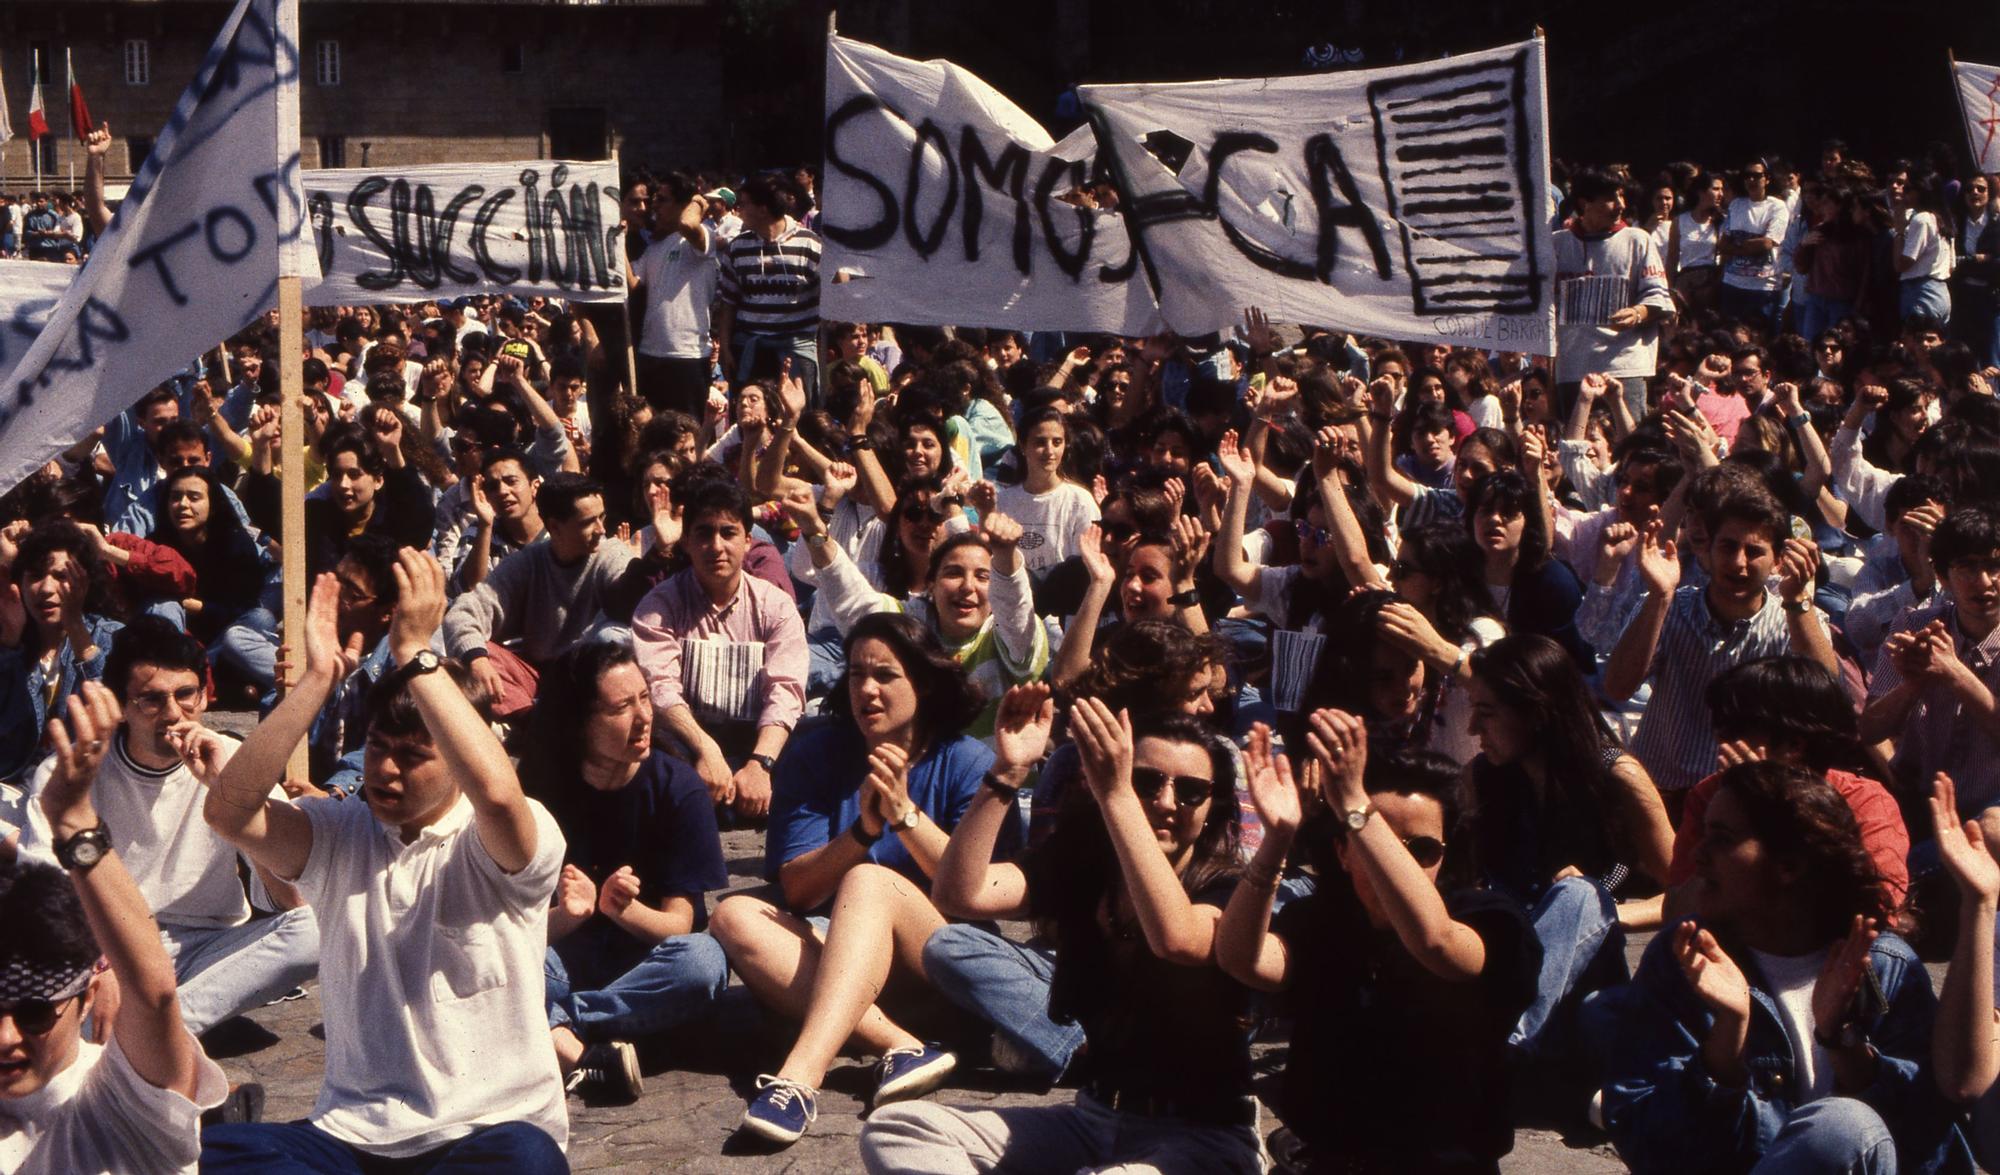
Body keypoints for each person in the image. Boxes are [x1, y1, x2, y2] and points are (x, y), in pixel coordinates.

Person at [199, 552, 570, 1172]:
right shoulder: (343, 832)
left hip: (482, 1134)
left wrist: (415, 654)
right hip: (353, 1137)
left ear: (457, 755)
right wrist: (316, 681)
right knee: (204, 1153)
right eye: (378, 747)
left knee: (527, 1160)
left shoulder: (508, 837)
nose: (386, 769)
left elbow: (501, 799)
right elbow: (230, 812)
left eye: (413, 754)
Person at [864, 700, 1260, 1174]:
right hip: (1094, 1120)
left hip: (1202, 1140)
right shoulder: (1084, 866)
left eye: (1191, 791)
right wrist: (1007, 771)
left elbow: (1176, 938)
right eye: (1147, 782)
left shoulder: (1230, 888)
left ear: (1212, 808)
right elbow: (959, 893)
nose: (1167, 803)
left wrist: (1118, 796)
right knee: (898, 1128)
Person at [1591, 761, 1971, 1174]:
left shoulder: (1884, 966)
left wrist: (1841, 1042)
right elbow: (1645, 1144)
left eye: (1723, 839)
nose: (1699, 854)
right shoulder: (1684, 957)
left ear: (1789, 866)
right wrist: (1727, 1041)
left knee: (1843, 1128)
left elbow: (1929, 1142)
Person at [708, 614, 1002, 1147]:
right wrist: (863, 832)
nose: (866, 688)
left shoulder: (968, 762)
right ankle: (901, 1046)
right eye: (855, 674)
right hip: (846, 969)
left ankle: (800, 1078)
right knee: (734, 914)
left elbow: (975, 894)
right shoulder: (818, 752)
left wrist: (904, 815)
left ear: (925, 682)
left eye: (885, 675)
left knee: (867, 882)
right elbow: (797, 890)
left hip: (939, 963)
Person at [1216, 714, 1542, 1175]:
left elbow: (1437, 944)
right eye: (1374, 843)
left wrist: (1354, 805)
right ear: (1344, 853)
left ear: (1446, 858)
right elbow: (1240, 959)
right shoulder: (1321, 920)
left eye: (1422, 850)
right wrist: (1278, 840)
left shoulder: (1489, 920)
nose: (1396, 862)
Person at [18, 619, 320, 1036]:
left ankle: (154, 1035)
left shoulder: (231, 758)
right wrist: (98, 964)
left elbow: (293, 899)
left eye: (185, 695)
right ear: (123, 706)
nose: (173, 714)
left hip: (205, 948)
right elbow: (42, 899)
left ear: (204, 697)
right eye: (151, 700)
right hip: (110, 950)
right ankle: (152, 1036)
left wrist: (230, 798)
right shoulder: (72, 771)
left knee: (316, 928)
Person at [0, 682, 228, 1174]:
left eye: (36, 1014)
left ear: (87, 996)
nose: (5, 1038)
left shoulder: (122, 1102)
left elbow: (155, 992)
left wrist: (75, 825)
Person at [528, 642, 730, 1103]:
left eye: (645, 698)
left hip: (647, 966)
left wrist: (623, 910)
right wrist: (571, 916)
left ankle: (559, 1031)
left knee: (704, 963)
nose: (643, 717)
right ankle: (586, 1058)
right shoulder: (540, 790)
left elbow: (679, 925)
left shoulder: (678, 787)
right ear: (580, 722)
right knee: (496, 959)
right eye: (622, 706)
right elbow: (517, 928)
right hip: (565, 959)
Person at [1464, 635, 1671, 1068]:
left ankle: (1500, 1053)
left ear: (1535, 713)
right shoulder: (1486, 778)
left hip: (1583, 972)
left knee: (1578, 896)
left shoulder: (1616, 776)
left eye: (1486, 713)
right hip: (1511, 959)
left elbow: (1690, 892)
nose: (1471, 730)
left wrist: (1603, 907)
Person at [1601, 490, 1838, 814]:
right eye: (1728, 547)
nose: (1739, 563)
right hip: (1662, 791)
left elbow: (1825, 699)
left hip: (1747, 797)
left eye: (1754, 551)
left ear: (1778, 560)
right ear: (1707, 549)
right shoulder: (1669, 606)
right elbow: (1617, 686)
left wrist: (1798, 601)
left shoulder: (1794, 620)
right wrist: (1658, 597)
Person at [1668, 657, 1910, 922]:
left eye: (1733, 730)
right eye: (1718, 728)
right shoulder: (1710, 795)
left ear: (1794, 745)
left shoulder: (1864, 800)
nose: (1720, 740)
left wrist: (1771, 808)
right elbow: (1678, 914)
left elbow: (1879, 909)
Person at [630, 470, 806, 818]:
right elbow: (660, 688)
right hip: (688, 738)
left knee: (815, 736)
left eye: (728, 533)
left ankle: (741, 792)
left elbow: (785, 690)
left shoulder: (776, 605)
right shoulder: (659, 605)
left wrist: (760, 763)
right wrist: (705, 749)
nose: (716, 547)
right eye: (704, 533)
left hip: (757, 739)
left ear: (748, 541)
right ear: (686, 541)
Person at [442, 472, 636, 720]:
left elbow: (627, 597)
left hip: (587, 677)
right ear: (555, 527)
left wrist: (649, 565)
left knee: (611, 637)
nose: (601, 529)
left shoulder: (610, 553)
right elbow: (464, 610)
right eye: (588, 522)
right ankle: (534, 723)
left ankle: (549, 724)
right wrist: (477, 660)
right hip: (539, 676)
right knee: (470, 657)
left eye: (602, 518)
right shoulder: (529, 561)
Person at [1863, 505, 2000, 824]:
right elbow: (1870, 730)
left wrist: (1953, 672)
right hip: (1918, 801)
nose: (1984, 582)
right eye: (1967, 568)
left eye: (1994, 566)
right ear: (1943, 577)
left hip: (1990, 809)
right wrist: (1913, 684)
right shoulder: (1913, 625)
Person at [1551, 168, 1675, 416]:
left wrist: (1638, 312)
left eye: (1621, 196)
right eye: (1611, 198)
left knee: (1627, 441)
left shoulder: (1637, 240)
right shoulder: (1557, 244)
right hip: (1573, 368)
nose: (1621, 204)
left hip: (1623, 365)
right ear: (1585, 203)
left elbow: (1660, 295)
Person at [716, 173, 823, 405]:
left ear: (763, 209)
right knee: (752, 417)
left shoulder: (810, 244)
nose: (738, 210)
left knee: (798, 419)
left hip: (795, 350)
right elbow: (728, 303)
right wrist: (725, 347)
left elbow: (830, 297)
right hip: (751, 350)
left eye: (743, 204)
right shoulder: (737, 248)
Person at [631, 171, 721, 419]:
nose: (654, 206)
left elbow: (687, 224)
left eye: (662, 199)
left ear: (683, 204)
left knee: (688, 433)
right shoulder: (654, 248)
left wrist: (699, 201)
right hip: (651, 353)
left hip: (687, 356)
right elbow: (632, 283)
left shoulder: (701, 238)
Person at [995, 407, 1100, 576]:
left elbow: (1084, 567)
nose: (1050, 451)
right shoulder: (1004, 501)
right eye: (1040, 442)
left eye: (1057, 442)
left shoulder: (1080, 501)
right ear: (1023, 446)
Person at [1716, 157, 1793, 332]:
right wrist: (1749, 246)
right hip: (1732, 284)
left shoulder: (1777, 207)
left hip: (1763, 286)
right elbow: (1722, 245)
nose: (1751, 180)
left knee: (1759, 338)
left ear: (1767, 179)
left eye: (1757, 176)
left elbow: (1767, 244)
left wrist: (1736, 246)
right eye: (1747, 176)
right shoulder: (1736, 205)